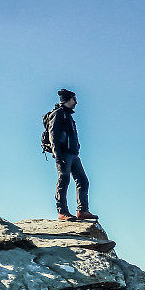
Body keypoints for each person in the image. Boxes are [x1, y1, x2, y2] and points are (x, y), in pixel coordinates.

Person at [48, 88, 99, 221]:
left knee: (83, 181)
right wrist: (57, 155)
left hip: (73, 154)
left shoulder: (68, 115)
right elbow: (53, 135)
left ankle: (82, 211)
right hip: (63, 154)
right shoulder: (58, 114)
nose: (76, 102)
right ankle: (62, 212)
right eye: (74, 99)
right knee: (63, 181)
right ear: (68, 99)